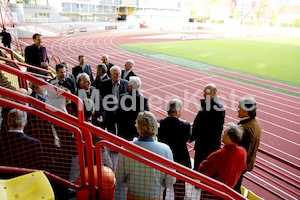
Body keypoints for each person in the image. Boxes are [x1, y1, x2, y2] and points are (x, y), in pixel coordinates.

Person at [116, 111, 176, 199]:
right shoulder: (165, 149)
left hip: (133, 194)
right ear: (155, 126)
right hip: (155, 195)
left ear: (138, 127)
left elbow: (119, 177)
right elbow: (170, 181)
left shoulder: (126, 147)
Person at [158, 98, 191, 200]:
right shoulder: (185, 126)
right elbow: (187, 138)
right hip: (180, 161)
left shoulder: (160, 124)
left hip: (164, 159)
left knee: (162, 186)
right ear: (177, 111)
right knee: (180, 189)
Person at [198, 123, 247, 189]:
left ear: (227, 138)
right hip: (229, 190)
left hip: (214, 190)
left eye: (224, 132)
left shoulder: (219, 155)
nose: (222, 134)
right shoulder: (243, 152)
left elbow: (203, 170)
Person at [190, 83, 225, 171]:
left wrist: (193, 135)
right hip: (202, 144)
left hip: (208, 146)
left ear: (214, 93)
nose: (205, 94)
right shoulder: (206, 104)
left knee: (204, 170)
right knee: (197, 168)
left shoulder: (217, 109)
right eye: (204, 92)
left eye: (208, 92)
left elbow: (215, 129)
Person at [233, 97, 261, 193]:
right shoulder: (255, 121)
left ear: (245, 111)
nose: (237, 110)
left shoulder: (245, 128)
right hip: (247, 162)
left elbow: (240, 151)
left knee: (234, 187)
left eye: (239, 108)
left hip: (240, 165)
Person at [118, 76, 149, 140]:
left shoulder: (122, 97)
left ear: (130, 86)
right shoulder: (144, 100)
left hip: (123, 128)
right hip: (136, 129)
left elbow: (120, 113)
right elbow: (146, 114)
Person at [100, 66, 129, 134]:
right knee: (111, 132)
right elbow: (101, 98)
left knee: (122, 133)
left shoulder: (126, 83)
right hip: (109, 113)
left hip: (122, 113)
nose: (118, 75)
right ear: (111, 74)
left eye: (119, 73)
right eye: (115, 74)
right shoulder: (104, 83)